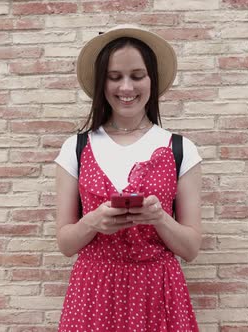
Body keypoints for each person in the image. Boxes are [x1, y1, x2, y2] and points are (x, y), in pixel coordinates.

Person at [54, 24, 203, 331]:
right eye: (114, 77)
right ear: (101, 82)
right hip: (93, 292)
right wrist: (92, 222)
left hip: (157, 293)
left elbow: (190, 248)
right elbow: (66, 244)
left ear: (152, 79)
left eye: (137, 76)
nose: (126, 88)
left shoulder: (179, 148)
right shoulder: (77, 147)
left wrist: (159, 218)